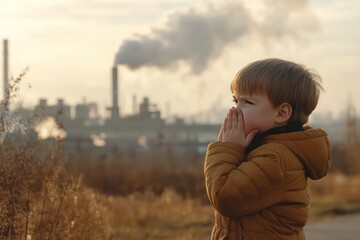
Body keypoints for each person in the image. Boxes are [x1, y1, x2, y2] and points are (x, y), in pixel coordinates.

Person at [204, 58, 332, 240]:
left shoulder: (275, 158)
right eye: (235, 100)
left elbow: (224, 197)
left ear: (281, 113)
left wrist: (227, 148)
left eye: (247, 102)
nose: (235, 110)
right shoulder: (263, 148)